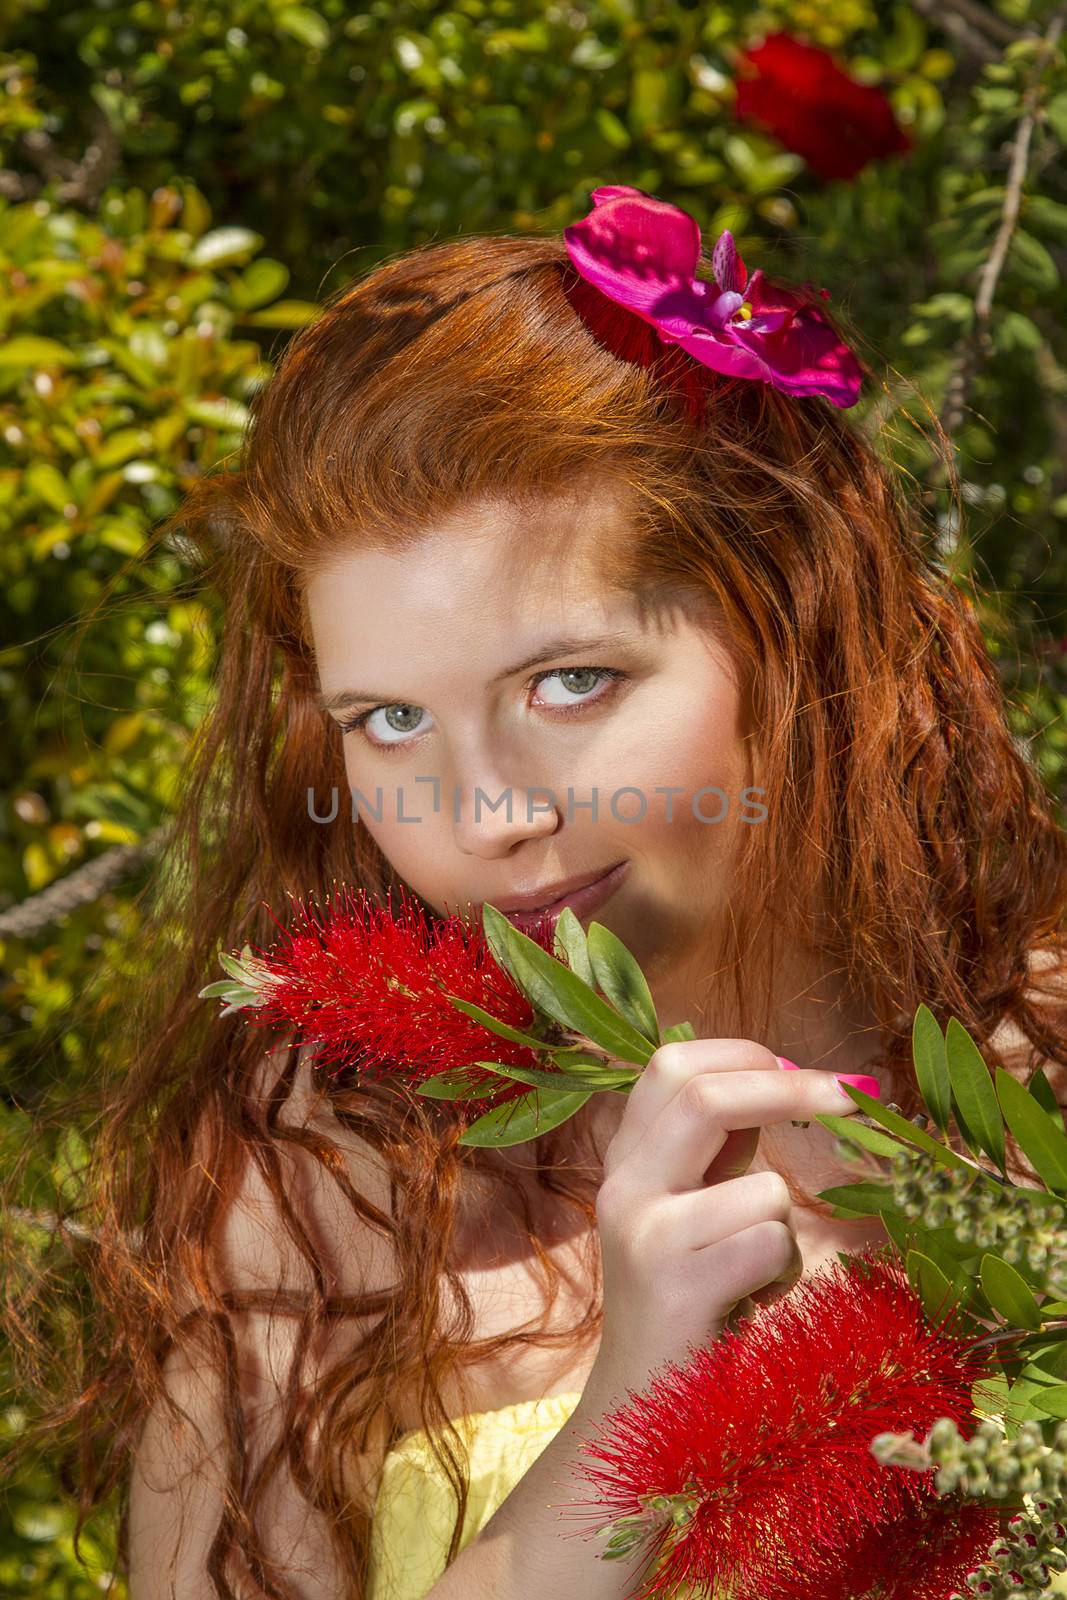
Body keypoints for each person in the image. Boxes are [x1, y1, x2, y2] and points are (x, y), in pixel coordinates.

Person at [3, 188, 1066, 1600]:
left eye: (572, 682)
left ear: (795, 618)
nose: (490, 814)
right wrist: (623, 1431)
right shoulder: (321, 1206)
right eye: (388, 722)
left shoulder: (1043, 1069)